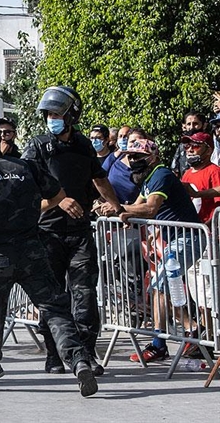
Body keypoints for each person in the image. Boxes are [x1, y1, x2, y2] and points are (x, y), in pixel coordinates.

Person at [0, 117, 98, 397]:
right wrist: (33, 211)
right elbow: (59, 195)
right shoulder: (26, 167)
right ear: (0, 139)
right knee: (55, 309)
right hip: (33, 252)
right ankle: (79, 361)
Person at [22, 86, 121, 376]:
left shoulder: (83, 145)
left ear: (70, 116)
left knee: (85, 294)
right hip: (47, 233)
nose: (52, 119)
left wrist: (117, 206)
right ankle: (54, 353)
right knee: (53, 296)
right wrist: (58, 199)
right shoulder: (37, 147)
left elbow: (99, 178)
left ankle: (87, 354)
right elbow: (27, 189)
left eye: (57, 114)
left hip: (79, 233)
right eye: (49, 114)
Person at [119, 139, 201, 363]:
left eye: (137, 157)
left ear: (152, 157)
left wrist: (119, 208)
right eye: (130, 157)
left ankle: (160, 344)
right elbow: (138, 207)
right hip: (174, 240)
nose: (133, 161)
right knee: (164, 289)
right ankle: (193, 330)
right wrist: (123, 214)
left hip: (187, 238)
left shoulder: (160, 174)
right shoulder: (147, 179)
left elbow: (150, 208)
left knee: (160, 288)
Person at [180, 132, 220, 224]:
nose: (190, 149)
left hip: (207, 232)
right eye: (187, 146)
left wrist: (209, 226)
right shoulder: (187, 173)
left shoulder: (214, 171)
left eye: (195, 146)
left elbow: (218, 206)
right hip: (189, 230)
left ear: (209, 151)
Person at [171, 111, 207, 177]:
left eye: (195, 124)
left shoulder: (209, 143)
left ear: (204, 125)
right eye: (188, 124)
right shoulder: (182, 145)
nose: (191, 127)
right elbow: (175, 168)